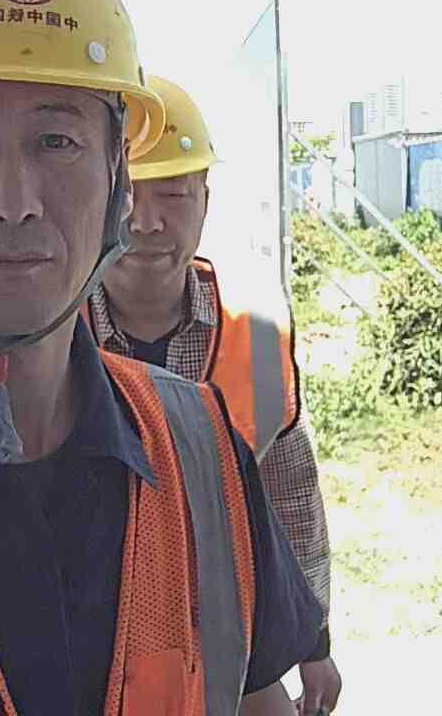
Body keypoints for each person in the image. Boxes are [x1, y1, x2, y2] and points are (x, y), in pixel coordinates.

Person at [0, 0, 323, 715]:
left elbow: (252, 696)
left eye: (57, 142)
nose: (13, 203)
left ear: (118, 176)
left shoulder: (200, 448)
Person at [85, 75, 343, 716]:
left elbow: (291, 497)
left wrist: (312, 638)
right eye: (127, 195)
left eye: (174, 194)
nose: (147, 222)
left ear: (205, 200)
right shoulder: (47, 332)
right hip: (92, 640)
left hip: (228, 631)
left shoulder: (256, 330)